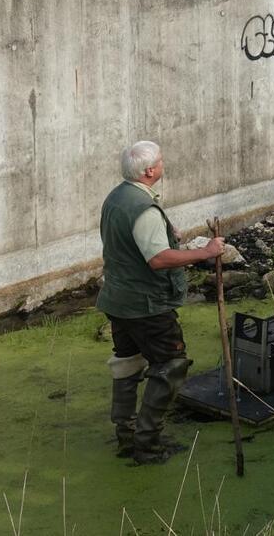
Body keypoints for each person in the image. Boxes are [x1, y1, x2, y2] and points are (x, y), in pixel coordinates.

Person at [98, 141, 224, 464]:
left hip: (117, 299)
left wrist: (168, 234)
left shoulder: (117, 198)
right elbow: (157, 259)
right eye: (160, 161)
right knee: (171, 364)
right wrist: (206, 252)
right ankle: (148, 443)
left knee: (126, 363)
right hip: (146, 305)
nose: (163, 164)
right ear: (149, 171)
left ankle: (126, 436)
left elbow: (128, 242)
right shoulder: (144, 209)